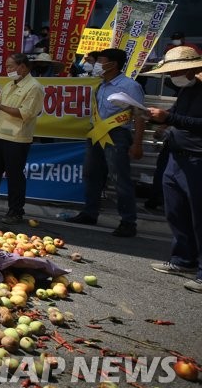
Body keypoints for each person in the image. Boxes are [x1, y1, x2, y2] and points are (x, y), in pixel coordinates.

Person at [66, 48, 145, 237]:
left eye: (101, 60)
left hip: (117, 134)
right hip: (96, 133)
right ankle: (90, 213)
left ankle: (128, 221)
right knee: (91, 175)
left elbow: (140, 116)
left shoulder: (130, 86)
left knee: (119, 179)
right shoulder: (101, 85)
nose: (97, 65)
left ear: (113, 64)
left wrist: (137, 143)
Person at [142, 46, 202, 292]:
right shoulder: (187, 90)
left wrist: (169, 118)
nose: (174, 77)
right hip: (175, 157)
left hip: (197, 159)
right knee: (176, 211)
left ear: (191, 68)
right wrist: (164, 124)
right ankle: (183, 260)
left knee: (199, 216)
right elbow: (178, 114)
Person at [0, 53, 46, 224]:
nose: (7, 70)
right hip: (0, 134)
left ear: (23, 67)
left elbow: (26, 113)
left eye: (10, 66)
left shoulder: (34, 87)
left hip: (18, 137)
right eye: (7, 67)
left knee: (14, 175)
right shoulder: (8, 85)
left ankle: (16, 211)